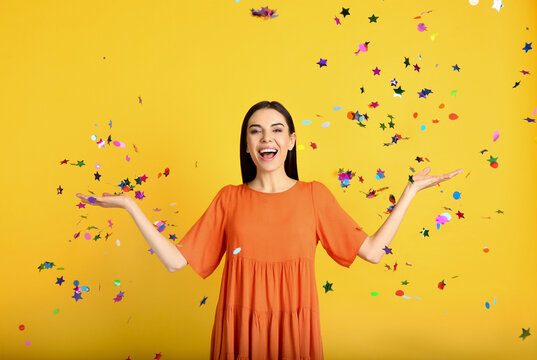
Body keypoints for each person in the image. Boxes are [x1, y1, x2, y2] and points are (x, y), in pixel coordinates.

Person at [76, 100, 463, 359]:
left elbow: (374, 252)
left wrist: (410, 192)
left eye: (277, 130)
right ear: (246, 145)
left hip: (295, 334)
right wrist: (132, 207)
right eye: (256, 131)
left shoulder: (314, 196)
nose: (267, 139)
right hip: (239, 334)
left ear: (291, 141)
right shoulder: (229, 199)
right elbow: (177, 261)